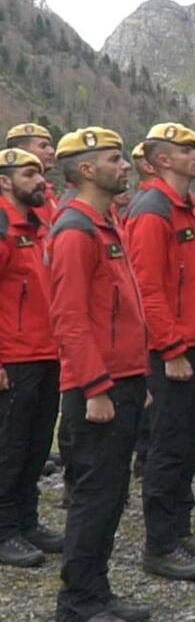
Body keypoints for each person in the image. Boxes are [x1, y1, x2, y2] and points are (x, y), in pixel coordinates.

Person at [49, 127, 151, 622]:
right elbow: (68, 318)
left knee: (112, 496)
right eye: (115, 159)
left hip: (125, 377)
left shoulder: (104, 223)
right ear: (86, 170)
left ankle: (98, 589)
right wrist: (94, 386)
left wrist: (138, 374)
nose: (126, 166)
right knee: (94, 496)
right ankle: (77, 603)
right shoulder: (74, 230)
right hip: (98, 386)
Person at [126, 123, 195, 582]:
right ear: (162, 159)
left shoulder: (192, 208)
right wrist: (171, 348)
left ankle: (180, 529)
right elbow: (148, 287)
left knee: (187, 442)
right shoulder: (152, 210)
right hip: (173, 350)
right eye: (186, 149)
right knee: (168, 445)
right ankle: (160, 544)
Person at [0, 148, 62, 568]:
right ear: (5, 181)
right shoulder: (3, 225)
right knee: (9, 446)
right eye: (29, 174)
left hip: (47, 351)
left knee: (38, 444)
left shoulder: (39, 224)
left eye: (40, 174)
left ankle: (27, 519)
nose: (40, 181)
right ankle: (4, 530)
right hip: (15, 357)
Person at [6, 123, 58, 226]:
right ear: (21, 151)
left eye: (50, 146)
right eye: (43, 146)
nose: (51, 151)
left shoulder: (47, 190)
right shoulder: (16, 192)